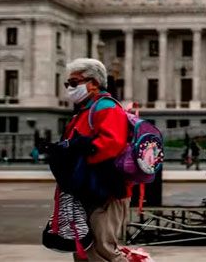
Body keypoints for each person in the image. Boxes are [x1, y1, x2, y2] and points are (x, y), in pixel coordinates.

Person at [52, 58, 129, 262]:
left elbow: (111, 144)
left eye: (74, 83)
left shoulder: (105, 107)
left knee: (102, 250)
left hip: (103, 191)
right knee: (83, 249)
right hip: (85, 191)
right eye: (67, 83)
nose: (69, 88)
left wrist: (79, 152)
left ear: (93, 83)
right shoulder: (84, 111)